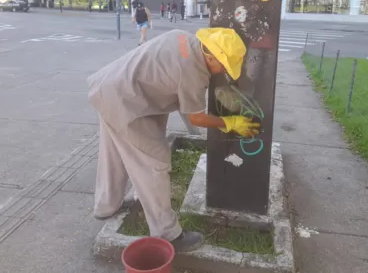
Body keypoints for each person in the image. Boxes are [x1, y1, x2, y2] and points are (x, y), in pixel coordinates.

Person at [87, 27, 259, 252]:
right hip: (126, 102)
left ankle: (105, 206)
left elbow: (171, 87)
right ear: (211, 55)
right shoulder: (193, 70)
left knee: (114, 154)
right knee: (155, 162)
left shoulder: (183, 38)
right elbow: (196, 116)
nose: (223, 72)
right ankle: (167, 234)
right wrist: (230, 123)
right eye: (223, 66)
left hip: (109, 87)